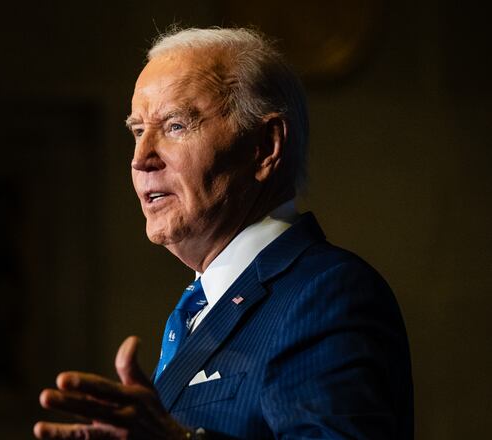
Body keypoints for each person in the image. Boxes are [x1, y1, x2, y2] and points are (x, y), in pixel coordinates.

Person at [34, 27, 413, 439]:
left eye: (175, 125)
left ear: (265, 146)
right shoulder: (201, 306)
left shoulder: (326, 294)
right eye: (138, 131)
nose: (141, 159)